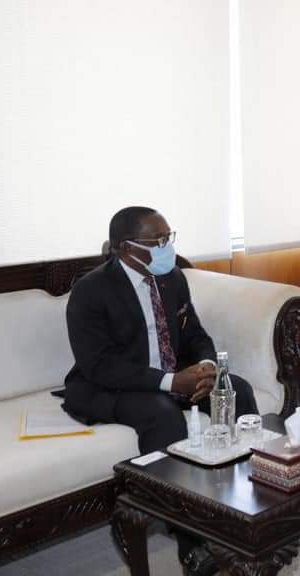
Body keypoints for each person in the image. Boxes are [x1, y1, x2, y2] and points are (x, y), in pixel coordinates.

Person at [63, 206, 258, 576]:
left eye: (169, 237)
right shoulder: (90, 291)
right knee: (164, 416)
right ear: (126, 248)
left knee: (237, 391)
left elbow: (195, 334)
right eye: (158, 240)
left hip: (172, 373)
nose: (167, 247)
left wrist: (207, 368)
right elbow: (98, 365)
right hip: (113, 385)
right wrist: (170, 382)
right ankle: (191, 544)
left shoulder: (171, 278)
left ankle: (243, 511)